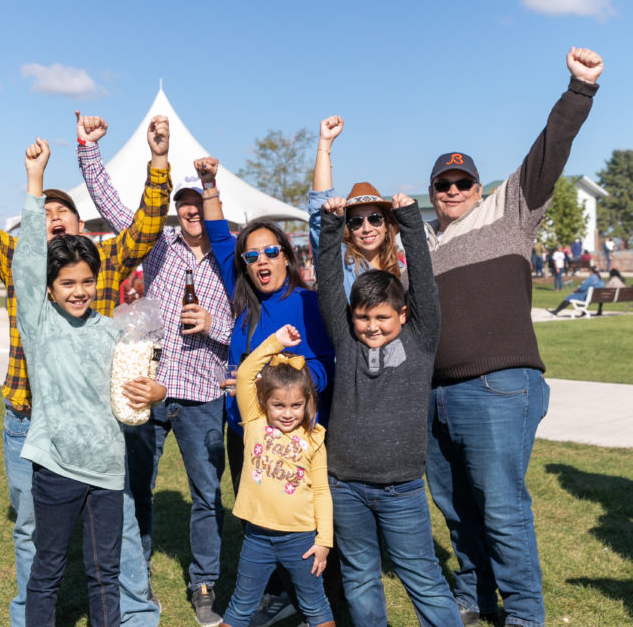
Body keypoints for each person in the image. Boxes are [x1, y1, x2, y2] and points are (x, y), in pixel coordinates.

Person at [0, 101, 170, 627]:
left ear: (83, 227)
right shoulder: (21, 264)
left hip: (99, 424)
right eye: (48, 211)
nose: (56, 217)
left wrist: (159, 163)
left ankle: (133, 616)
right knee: (31, 532)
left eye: (66, 211)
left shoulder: (103, 264)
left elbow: (150, 224)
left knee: (121, 527)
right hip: (29, 419)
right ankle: (29, 615)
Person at [424, 46, 603, 627]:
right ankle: (474, 597)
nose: (452, 191)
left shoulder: (510, 211)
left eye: (462, 182)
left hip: (498, 385)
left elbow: (550, 148)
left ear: (479, 187)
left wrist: (579, 89)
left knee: (501, 508)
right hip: (434, 393)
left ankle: (525, 614)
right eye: (443, 184)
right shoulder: (419, 243)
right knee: (455, 508)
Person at [76, 113, 233, 627]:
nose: (190, 211)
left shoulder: (230, 260)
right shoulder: (159, 245)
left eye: (197, 204)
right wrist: (89, 149)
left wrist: (215, 324)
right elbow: (110, 204)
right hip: (151, 387)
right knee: (133, 486)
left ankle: (204, 582)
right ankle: (135, 570)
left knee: (207, 494)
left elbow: (250, 328)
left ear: (210, 209)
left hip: (204, 391)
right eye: (182, 205)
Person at [13, 137, 166, 626]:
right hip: (55, 467)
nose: (77, 292)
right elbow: (29, 258)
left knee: (104, 573)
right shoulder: (38, 323)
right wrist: (35, 182)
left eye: (85, 282)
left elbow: (141, 385)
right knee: (49, 568)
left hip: (105, 470)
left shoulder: (112, 332)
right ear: (50, 290)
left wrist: (156, 392)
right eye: (66, 283)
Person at [197, 156, 335, 627]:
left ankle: (305, 596)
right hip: (245, 435)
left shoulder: (308, 303)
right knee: (257, 515)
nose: (261, 262)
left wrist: (270, 384)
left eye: (270, 252)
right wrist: (209, 183)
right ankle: (274, 592)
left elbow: (322, 369)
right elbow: (220, 240)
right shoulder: (244, 301)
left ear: (287, 256)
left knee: (294, 515)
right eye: (251, 256)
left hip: (292, 436)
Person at [317, 194, 462, 627]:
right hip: (346, 487)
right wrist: (330, 227)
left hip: (402, 490)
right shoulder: (347, 342)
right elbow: (327, 283)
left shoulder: (419, 340)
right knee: (360, 577)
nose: (372, 326)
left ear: (402, 314)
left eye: (382, 317)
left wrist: (411, 222)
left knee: (422, 576)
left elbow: (426, 281)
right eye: (362, 318)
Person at [220, 325, 335, 627]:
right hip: (257, 538)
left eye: (296, 405)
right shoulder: (255, 424)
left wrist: (324, 541)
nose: (288, 413)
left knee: (315, 606)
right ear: (264, 403)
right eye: (279, 405)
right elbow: (245, 375)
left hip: (301, 540)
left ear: (307, 402)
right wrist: (275, 343)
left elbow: (322, 492)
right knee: (240, 607)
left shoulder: (314, 439)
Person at [308, 116, 404, 299]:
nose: (367, 228)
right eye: (356, 221)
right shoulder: (342, 266)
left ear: (386, 225)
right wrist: (325, 145)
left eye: (375, 219)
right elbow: (320, 214)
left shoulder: (402, 272)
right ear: (348, 230)